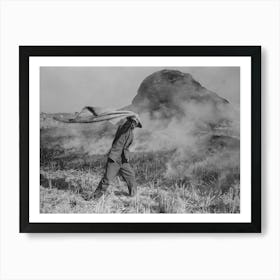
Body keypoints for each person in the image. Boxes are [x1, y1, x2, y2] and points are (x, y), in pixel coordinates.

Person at [92, 115, 142, 200]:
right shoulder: (123, 127)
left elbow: (125, 147)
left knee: (131, 175)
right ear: (130, 121)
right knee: (107, 179)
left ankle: (133, 196)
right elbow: (125, 126)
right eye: (133, 122)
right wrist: (129, 120)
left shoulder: (130, 133)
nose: (134, 125)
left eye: (135, 124)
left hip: (122, 159)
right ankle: (95, 198)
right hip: (114, 158)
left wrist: (127, 156)